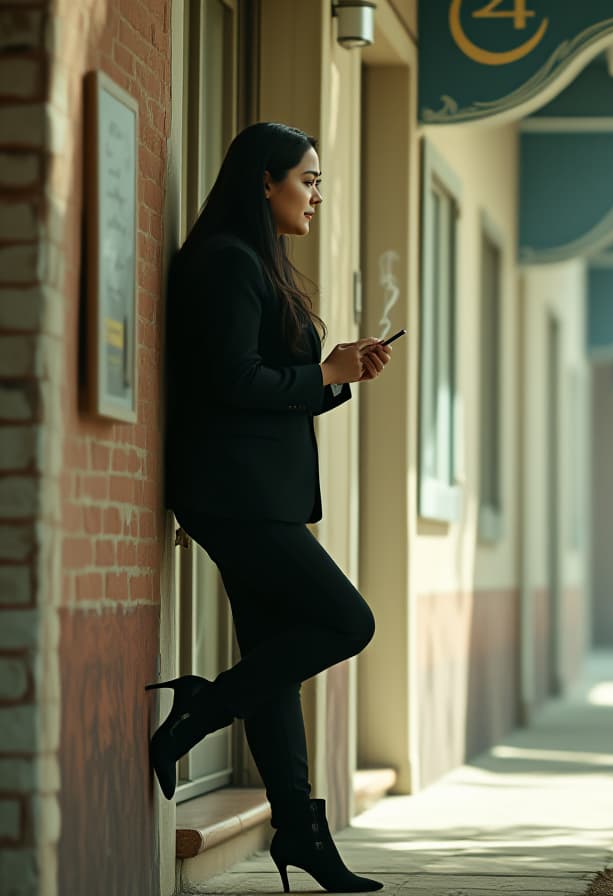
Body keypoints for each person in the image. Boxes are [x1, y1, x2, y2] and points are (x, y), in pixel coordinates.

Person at [152, 122, 391, 894]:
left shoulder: (256, 262)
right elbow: (231, 383)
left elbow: (273, 389)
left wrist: (338, 373)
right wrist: (321, 369)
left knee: (275, 663)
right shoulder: (225, 263)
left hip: (258, 493)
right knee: (348, 622)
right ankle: (198, 711)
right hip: (238, 496)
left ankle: (299, 833)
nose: (317, 195)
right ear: (265, 180)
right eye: (308, 179)